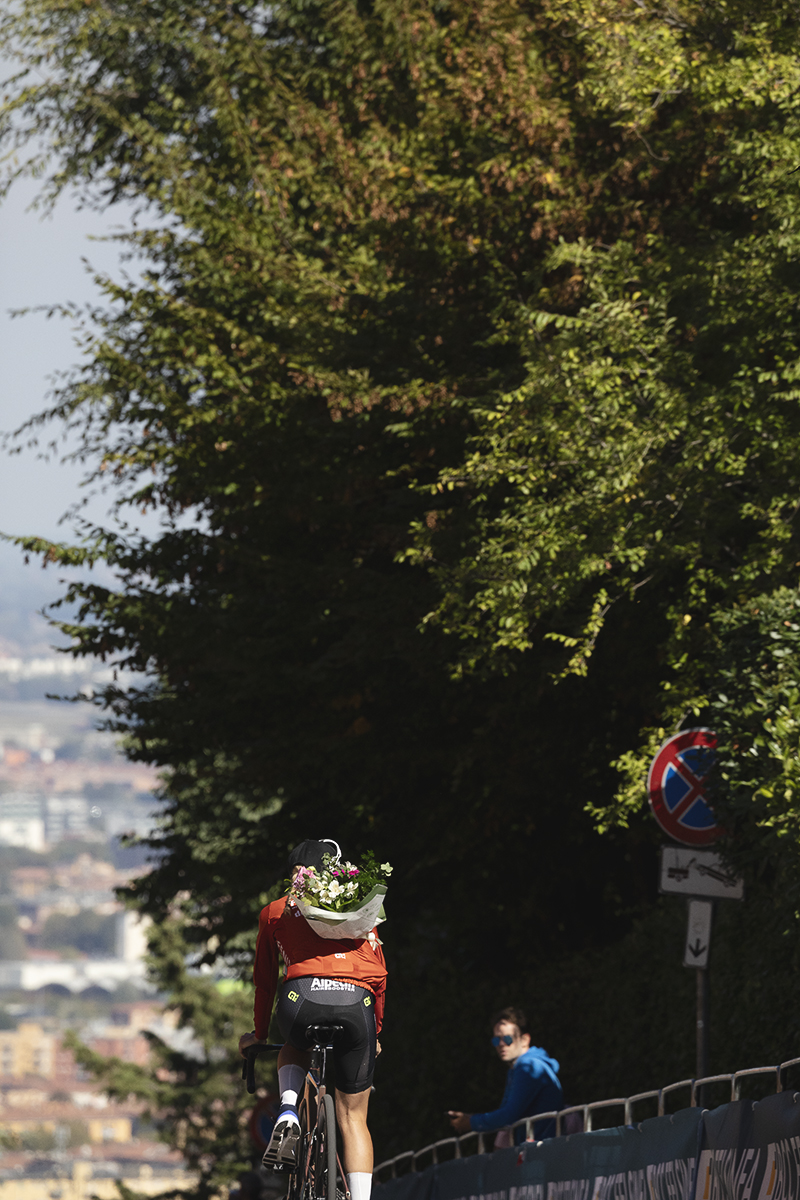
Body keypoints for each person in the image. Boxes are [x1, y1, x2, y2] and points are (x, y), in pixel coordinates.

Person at [239, 839, 387, 1200]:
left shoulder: (275, 911)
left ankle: (288, 1109)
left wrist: (259, 1033)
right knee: (354, 1118)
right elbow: (379, 975)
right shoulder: (360, 910)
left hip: (300, 999)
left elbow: (265, 980)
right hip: (357, 1003)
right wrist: (376, 1032)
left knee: (294, 1043)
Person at [448, 1006, 562, 1144]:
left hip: (543, 1149)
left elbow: (508, 1115)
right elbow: (506, 1115)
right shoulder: (519, 1067)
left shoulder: (528, 1066)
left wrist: (471, 1122)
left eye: (508, 1039)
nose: (501, 1044)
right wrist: (471, 1119)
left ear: (525, 1040)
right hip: (539, 1147)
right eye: (496, 1040)